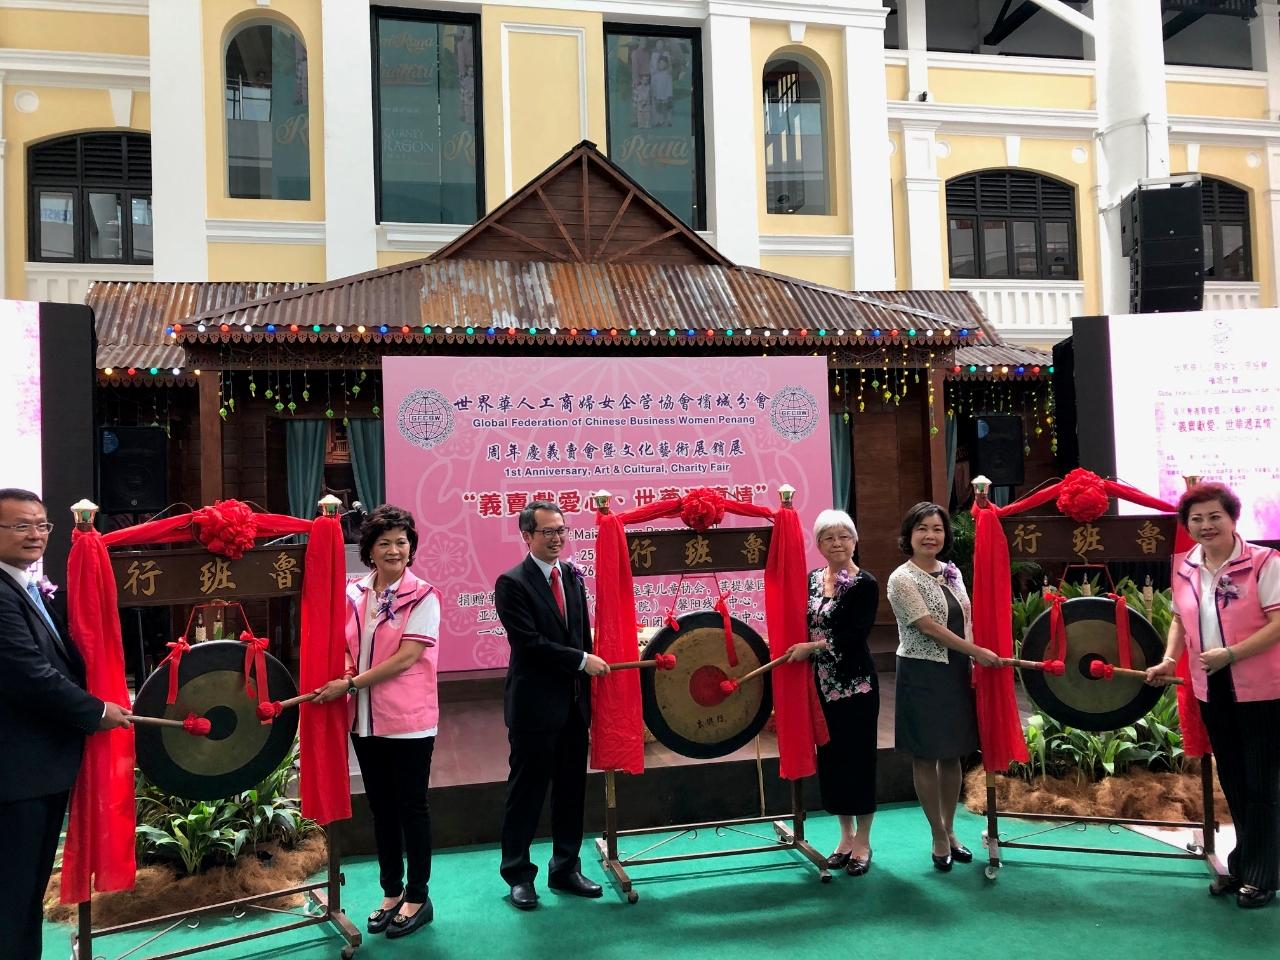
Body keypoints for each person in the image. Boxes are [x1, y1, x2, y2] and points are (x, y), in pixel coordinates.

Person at [0, 488, 131, 959]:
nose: (35, 535)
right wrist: (95, 711)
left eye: (41, 525)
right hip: (16, 774)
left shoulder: (24, 584)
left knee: (25, 893)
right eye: (20, 525)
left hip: (39, 768)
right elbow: (27, 673)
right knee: (12, 895)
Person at [1146, 482, 1280, 909]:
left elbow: (1279, 623)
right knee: (1235, 780)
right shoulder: (1185, 566)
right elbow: (1178, 619)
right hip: (1211, 686)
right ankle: (1242, 865)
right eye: (1197, 519)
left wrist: (1233, 653)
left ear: (1233, 518)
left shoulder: (1264, 563)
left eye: (1214, 516)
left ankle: (1263, 875)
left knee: (1263, 783)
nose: (1206, 525)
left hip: (1263, 689)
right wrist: (1169, 660)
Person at [313, 504, 441, 939]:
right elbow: (346, 646)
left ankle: (418, 896)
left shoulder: (423, 595)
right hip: (365, 721)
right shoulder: (355, 593)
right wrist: (347, 670)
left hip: (409, 720)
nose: (394, 550)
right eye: (384, 543)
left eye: (402, 542)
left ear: (411, 548)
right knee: (382, 807)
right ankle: (391, 892)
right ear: (368, 549)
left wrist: (350, 684)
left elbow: (407, 658)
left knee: (412, 807)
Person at [496, 500, 609, 910]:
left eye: (562, 530)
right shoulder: (512, 583)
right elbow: (529, 644)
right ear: (527, 536)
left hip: (574, 707)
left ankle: (565, 868)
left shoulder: (572, 577)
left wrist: (590, 684)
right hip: (534, 709)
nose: (557, 538)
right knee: (526, 793)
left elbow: (581, 636)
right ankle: (518, 875)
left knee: (570, 792)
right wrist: (581, 661)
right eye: (548, 532)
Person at [885, 501, 1000, 872]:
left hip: (956, 671)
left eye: (937, 529)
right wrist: (976, 651)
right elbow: (928, 626)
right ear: (909, 535)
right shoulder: (901, 578)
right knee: (926, 755)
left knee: (953, 754)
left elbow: (965, 619)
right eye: (922, 529)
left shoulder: (952, 572)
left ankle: (950, 830)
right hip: (921, 672)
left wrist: (976, 655)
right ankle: (936, 834)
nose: (930, 535)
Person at [787, 509, 880, 876]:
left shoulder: (865, 584)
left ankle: (864, 841)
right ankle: (845, 836)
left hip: (855, 685)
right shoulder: (812, 580)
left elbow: (854, 635)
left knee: (859, 759)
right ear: (819, 544)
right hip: (820, 685)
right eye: (828, 537)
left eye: (844, 536)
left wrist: (811, 648)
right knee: (833, 759)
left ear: (854, 541)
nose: (837, 543)